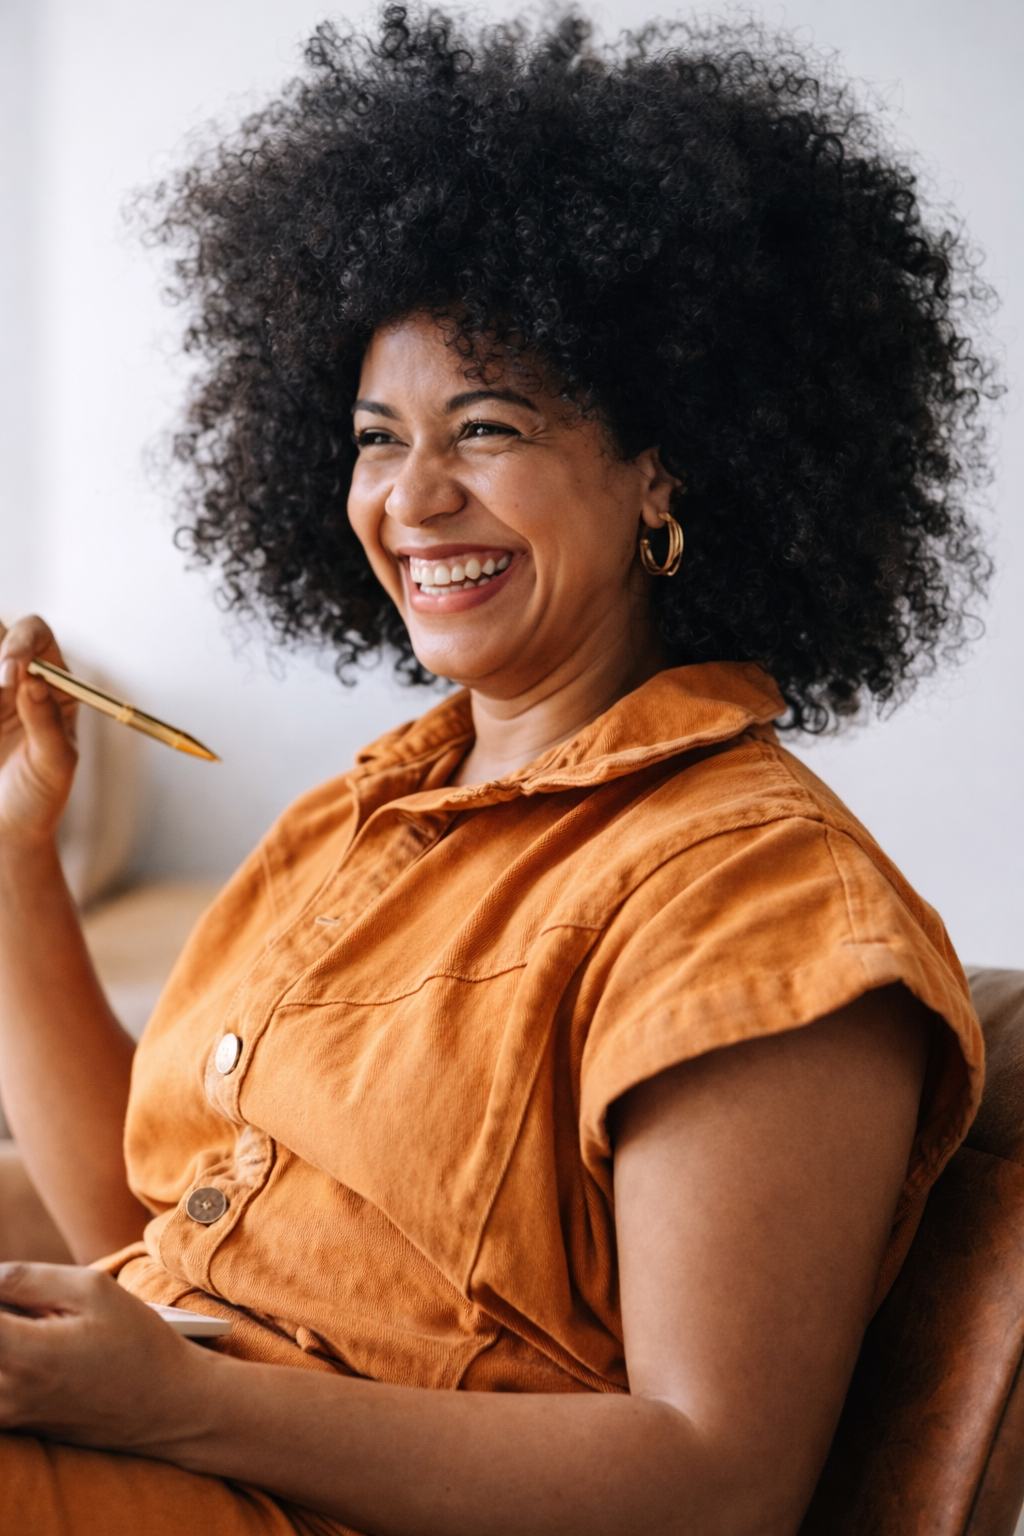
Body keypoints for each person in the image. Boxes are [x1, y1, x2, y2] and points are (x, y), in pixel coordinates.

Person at [0, 9, 994, 1534]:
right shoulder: (360, 817)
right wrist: (11, 859)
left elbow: (720, 1481)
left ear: (665, 466)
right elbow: (141, 1233)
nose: (413, 498)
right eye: (373, 437)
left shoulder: (758, 893)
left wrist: (188, 1403)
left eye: (488, 427)